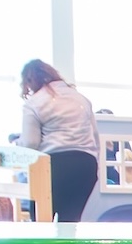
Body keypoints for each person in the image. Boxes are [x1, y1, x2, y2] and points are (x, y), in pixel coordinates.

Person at [19, 60, 100, 222]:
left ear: (29, 81)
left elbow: (30, 143)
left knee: (41, 221)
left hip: (54, 165)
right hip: (86, 165)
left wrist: (18, 143)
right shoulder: (81, 98)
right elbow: (95, 137)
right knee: (70, 222)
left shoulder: (34, 103)